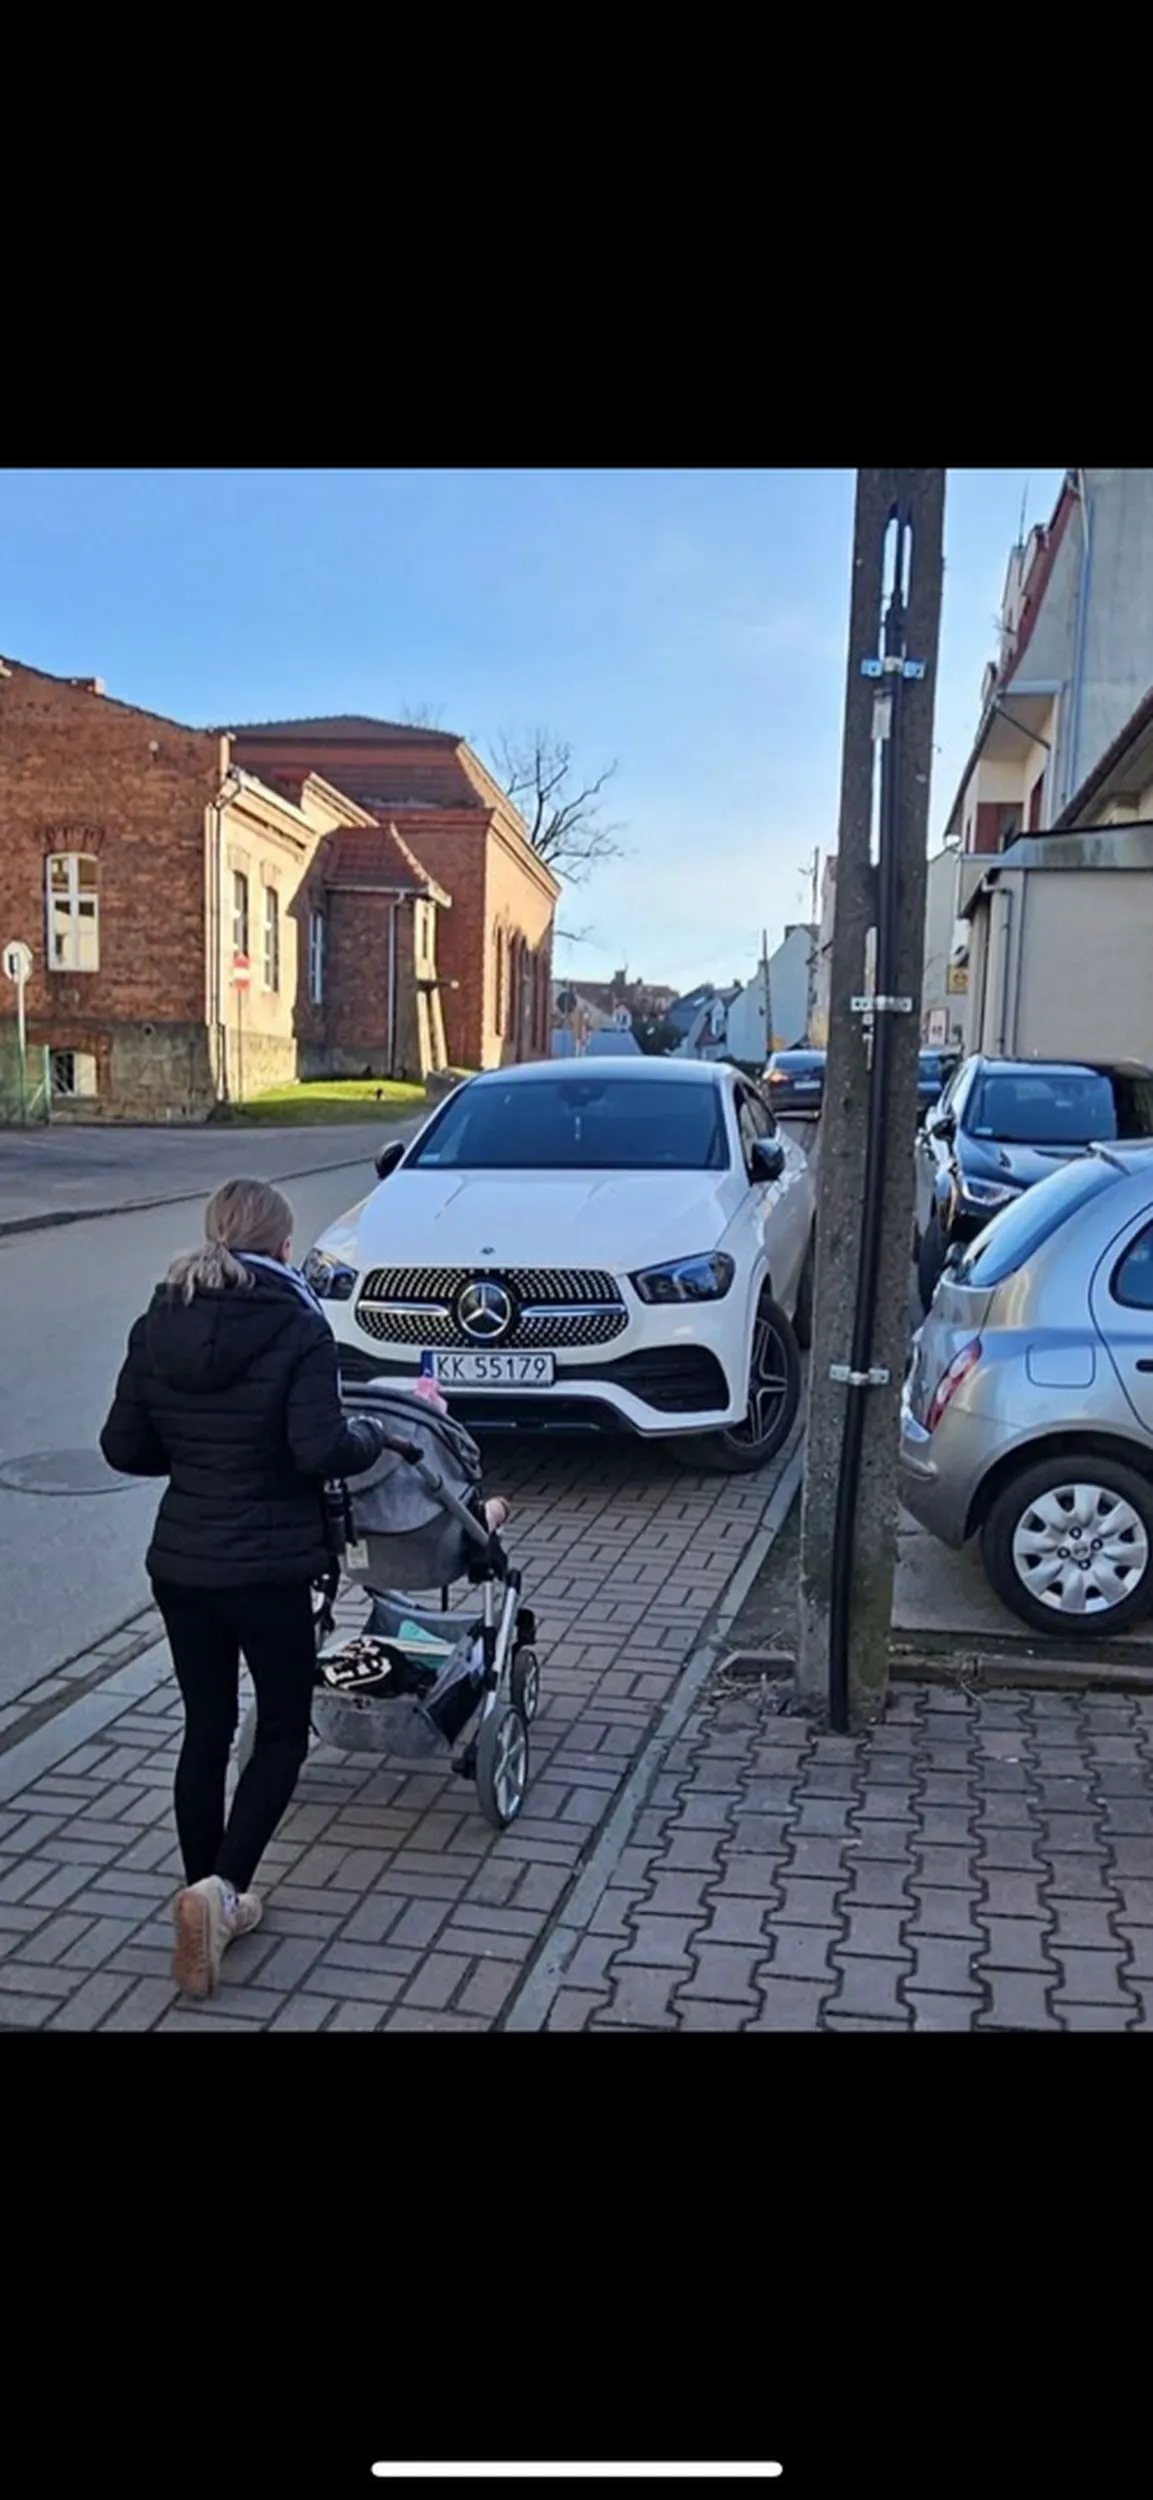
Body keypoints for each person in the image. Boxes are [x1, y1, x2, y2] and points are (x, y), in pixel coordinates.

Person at [100, 1178, 398, 2001]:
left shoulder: (156, 1319)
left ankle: (202, 1890)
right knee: (280, 1731)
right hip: (268, 1567)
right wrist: (371, 1436)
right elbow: (318, 1449)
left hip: (182, 1563)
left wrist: (198, 1464)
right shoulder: (298, 1324)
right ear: (277, 1246)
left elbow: (122, 1448)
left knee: (206, 1725)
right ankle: (223, 1892)